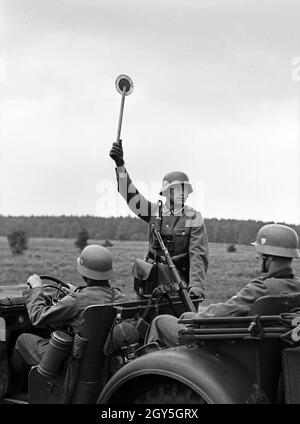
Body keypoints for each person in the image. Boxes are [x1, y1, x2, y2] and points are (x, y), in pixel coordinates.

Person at [146, 224, 300, 347]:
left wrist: (196, 318)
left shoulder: (262, 288)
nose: (257, 257)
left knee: (161, 321)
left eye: (260, 255)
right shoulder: (295, 287)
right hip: (262, 343)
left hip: (228, 344)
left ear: (269, 258)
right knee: (186, 315)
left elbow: (225, 312)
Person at [109, 140, 209, 300]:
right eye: (177, 189)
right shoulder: (154, 211)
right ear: (166, 191)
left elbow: (198, 254)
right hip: (150, 281)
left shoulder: (194, 217)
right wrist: (120, 166)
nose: (182, 193)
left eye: (185, 189)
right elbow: (130, 195)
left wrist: (196, 285)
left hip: (178, 281)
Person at [11, 245, 127, 377]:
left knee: (23, 339)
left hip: (73, 363)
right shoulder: (121, 297)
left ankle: (18, 387)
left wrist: (36, 289)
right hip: (103, 363)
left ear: (83, 273)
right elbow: (97, 296)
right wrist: (77, 291)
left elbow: (37, 317)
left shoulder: (75, 300)